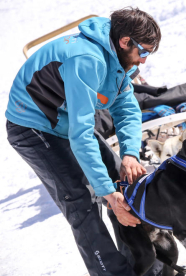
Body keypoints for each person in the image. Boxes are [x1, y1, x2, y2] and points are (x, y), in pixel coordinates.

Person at [5, 7, 161, 276]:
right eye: (143, 52)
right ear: (125, 41)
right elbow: (81, 135)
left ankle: (144, 266)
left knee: (121, 184)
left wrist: (130, 154)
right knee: (81, 201)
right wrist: (107, 194)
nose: (144, 61)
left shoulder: (118, 59)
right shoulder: (87, 60)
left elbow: (126, 108)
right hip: (31, 126)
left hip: (65, 121)